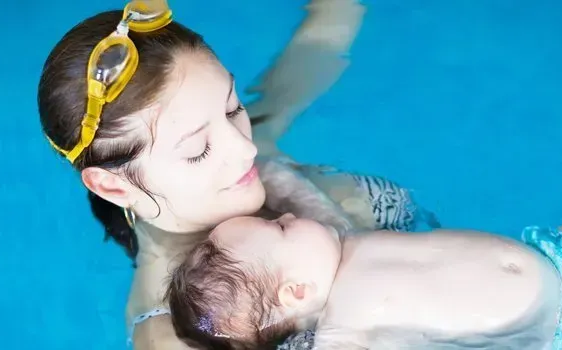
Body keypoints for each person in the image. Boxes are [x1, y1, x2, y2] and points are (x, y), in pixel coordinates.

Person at [36, 1, 434, 348]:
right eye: (198, 150)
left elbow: (325, 37)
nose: (247, 147)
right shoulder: (178, 334)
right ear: (112, 185)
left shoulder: (243, 148)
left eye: (231, 108)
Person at [166, 206, 562, 349]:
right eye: (278, 228)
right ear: (298, 292)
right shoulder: (345, 331)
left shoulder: (342, 239)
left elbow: (300, 196)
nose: (289, 214)